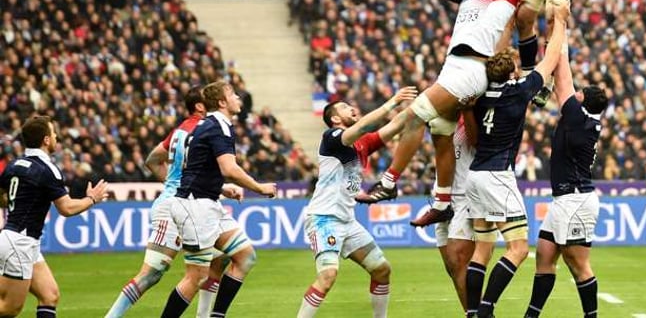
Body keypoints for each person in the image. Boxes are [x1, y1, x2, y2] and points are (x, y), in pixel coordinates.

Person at [355, 0, 560, 227]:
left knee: (417, 114)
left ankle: (388, 182)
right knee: (439, 130)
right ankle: (443, 199)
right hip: (453, 66)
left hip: (475, 68)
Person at [465, 2, 569, 318]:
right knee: (519, 248)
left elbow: (472, 134)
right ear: (511, 71)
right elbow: (550, 59)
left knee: (482, 249)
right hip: (497, 175)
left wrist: (508, 27)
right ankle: (486, 309)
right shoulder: (519, 91)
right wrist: (561, 22)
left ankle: (472, 313)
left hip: (476, 173)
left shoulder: (480, 94)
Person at [105, 88, 236, 318]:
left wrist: (179, 182)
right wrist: (175, 186)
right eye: (209, 101)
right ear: (199, 106)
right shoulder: (202, 129)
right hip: (176, 207)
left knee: (221, 257)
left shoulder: (179, 131)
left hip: (188, 203)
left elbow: (153, 160)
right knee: (151, 274)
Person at [159, 81, 277, 318]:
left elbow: (198, 169)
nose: (238, 98)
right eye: (233, 94)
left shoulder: (209, 125)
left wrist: (222, 189)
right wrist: (259, 188)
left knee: (245, 256)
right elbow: (229, 168)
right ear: (222, 102)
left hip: (207, 202)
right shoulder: (217, 127)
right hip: (195, 206)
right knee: (196, 276)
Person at [297, 85, 418, 317]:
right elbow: (365, 125)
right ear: (334, 119)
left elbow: (394, 125)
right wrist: (392, 101)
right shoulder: (331, 138)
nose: (352, 108)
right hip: (324, 219)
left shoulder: (361, 143)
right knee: (328, 275)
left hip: (347, 221)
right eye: (344, 107)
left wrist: (423, 105)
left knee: (382, 270)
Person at [0, 115, 109, 318]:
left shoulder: (14, 165)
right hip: (20, 242)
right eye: (53, 132)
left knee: (49, 295)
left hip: (20, 240)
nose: (56, 136)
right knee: (9, 308)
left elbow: (2, 197)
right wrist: (91, 199)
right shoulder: (47, 169)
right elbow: (66, 208)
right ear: (46, 140)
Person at [524, 75, 609, 318]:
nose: (575, 94)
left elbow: (563, 78)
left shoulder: (578, 118)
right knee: (544, 254)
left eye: (579, 93)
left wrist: (559, 40)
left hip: (576, 199)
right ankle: (531, 315)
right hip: (564, 199)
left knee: (578, 264)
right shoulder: (582, 119)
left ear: (583, 102)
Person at [434, 109, 477, 312]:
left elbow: (477, 140)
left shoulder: (473, 113)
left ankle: (478, 314)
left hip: (464, 196)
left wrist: (468, 109)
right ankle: (473, 312)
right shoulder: (441, 115)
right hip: (441, 199)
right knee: (452, 267)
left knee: (458, 260)